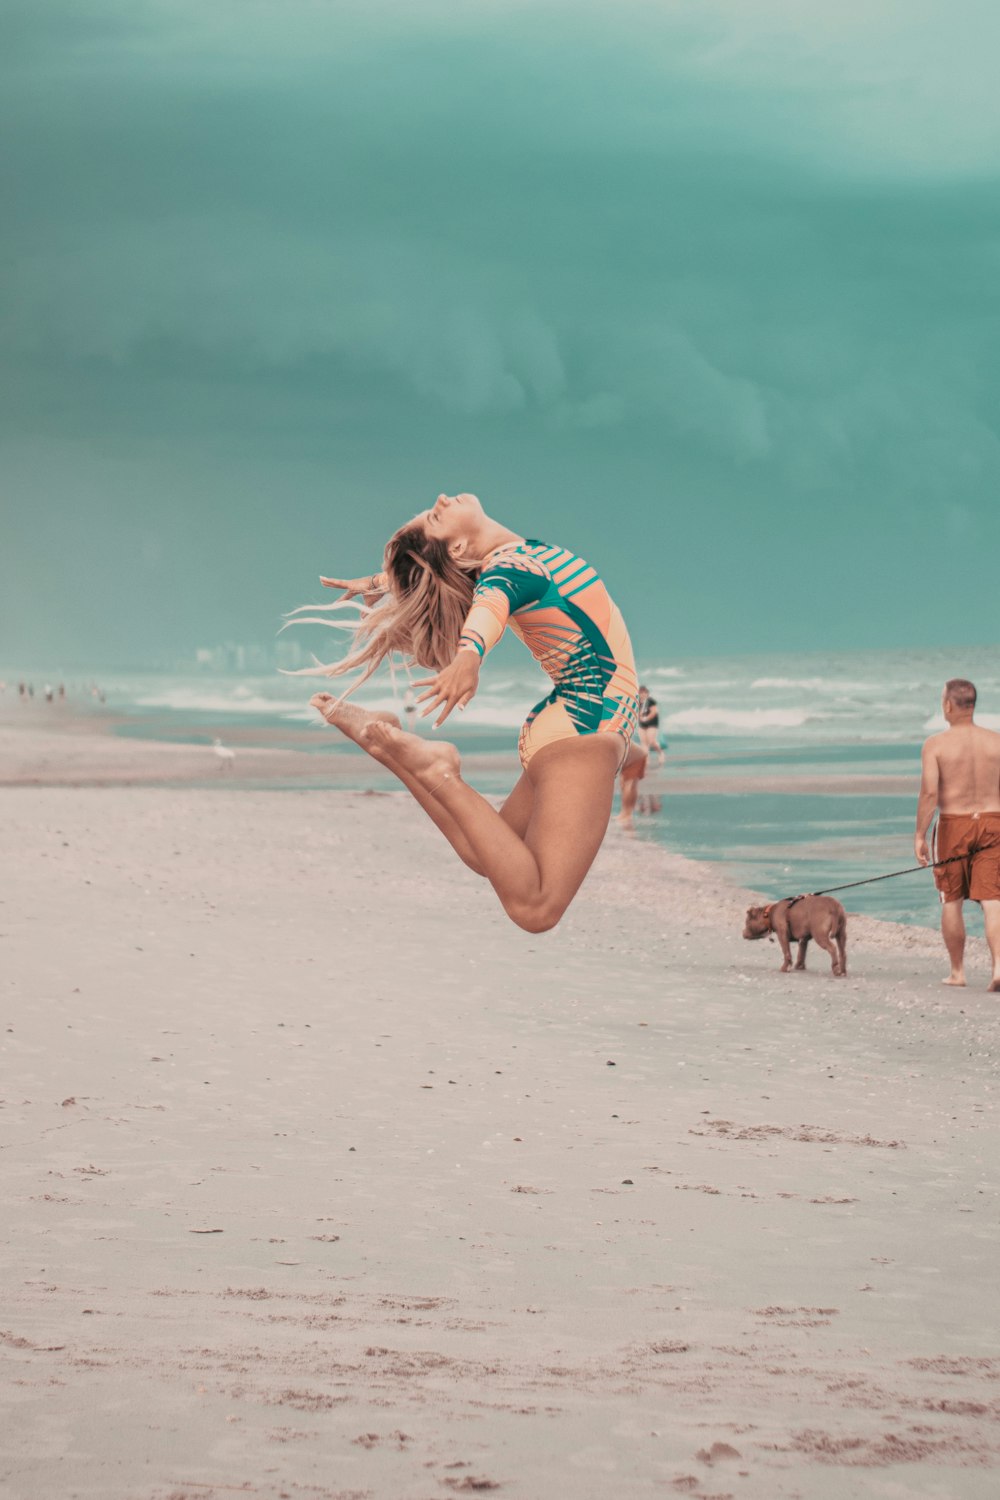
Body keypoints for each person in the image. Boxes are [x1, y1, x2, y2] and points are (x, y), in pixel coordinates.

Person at [298, 492, 642, 932]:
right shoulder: (511, 567)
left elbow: (465, 581)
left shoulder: (511, 561)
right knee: (535, 909)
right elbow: (491, 604)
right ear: (458, 547)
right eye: (435, 517)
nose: (440, 499)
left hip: (573, 727)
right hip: (584, 727)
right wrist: (469, 655)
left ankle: (389, 748)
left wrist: (376, 583)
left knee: (489, 853)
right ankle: (439, 771)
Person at [915, 678, 1000, 992]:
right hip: (994, 822)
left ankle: (958, 972)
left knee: (951, 900)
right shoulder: (997, 741)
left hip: (954, 824)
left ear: (948, 705)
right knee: (993, 899)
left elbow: (929, 794)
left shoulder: (936, 744)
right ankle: (998, 967)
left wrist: (920, 836)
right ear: (973, 705)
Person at [637, 685, 666, 766]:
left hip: (652, 723)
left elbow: (654, 712)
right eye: (641, 693)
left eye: (644, 693)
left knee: (651, 741)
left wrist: (646, 718)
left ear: (647, 693)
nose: (642, 695)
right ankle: (646, 760)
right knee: (644, 743)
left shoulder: (651, 701)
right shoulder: (638, 702)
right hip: (642, 724)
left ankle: (661, 753)